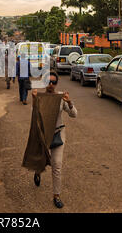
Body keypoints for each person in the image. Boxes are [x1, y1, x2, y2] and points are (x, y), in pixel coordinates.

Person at [31, 72, 77, 209]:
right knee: (41, 160)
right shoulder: (39, 97)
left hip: (58, 134)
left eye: (54, 82)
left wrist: (69, 101)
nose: (51, 84)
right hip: (43, 135)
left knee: (57, 164)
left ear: (56, 83)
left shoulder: (61, 97)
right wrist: (34, 100)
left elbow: (74, 114)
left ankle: (56, 195)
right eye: (48, 81)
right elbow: (35, 116)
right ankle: (38, 171)